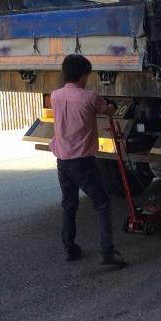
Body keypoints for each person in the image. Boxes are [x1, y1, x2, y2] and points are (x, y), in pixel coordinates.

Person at [49, 54, 127, 267]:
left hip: (62, 160)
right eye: (87, 74)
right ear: (83, 75)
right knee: (102, 203)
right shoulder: (89, 97)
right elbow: (108, 111)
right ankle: (108, 252)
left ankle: (69, 247)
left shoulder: (54, 96)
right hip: (83, 161)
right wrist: (111, 103)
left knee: (69, 204)